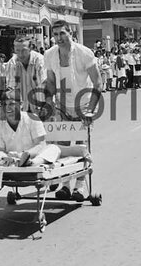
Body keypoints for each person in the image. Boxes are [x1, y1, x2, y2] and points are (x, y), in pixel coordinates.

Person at [42, 20, 101, 202]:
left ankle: (80, 187)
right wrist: (48, 103)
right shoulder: (50, 55)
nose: (59, 38)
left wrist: (90, 110)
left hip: (83, 105)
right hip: (62, 105)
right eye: (56, 34)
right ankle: (66, 186)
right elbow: (51, 83)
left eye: (62, 34)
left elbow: (98, 82)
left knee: (81, 147)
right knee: (64, 148)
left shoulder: (84, 53)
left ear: (71, 34)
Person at [1, 36, 47, 115]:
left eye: (24, 50)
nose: (20, 54)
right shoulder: (12, 63)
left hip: (40, 107)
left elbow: (43, 84)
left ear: (30, 48)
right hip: (22, 108)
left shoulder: (39, 60)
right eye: (17, 51)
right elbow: (12, 88)